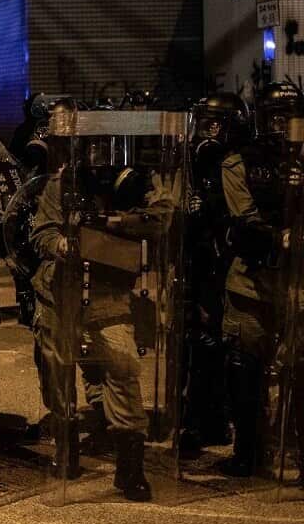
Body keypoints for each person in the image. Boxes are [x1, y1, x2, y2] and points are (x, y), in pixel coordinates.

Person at [29, 103, 180, 501]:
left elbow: (163, 218)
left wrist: (115, 223)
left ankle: (130, 467)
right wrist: (63, 243)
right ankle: (67, 448)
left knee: (122, 367)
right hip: (61, 293)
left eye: (104, 146)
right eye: (91, 146)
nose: (99, 155)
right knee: (56, 373)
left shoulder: (136, 184)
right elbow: (39, 233)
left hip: (109, 294)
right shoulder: (61, 185)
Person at [218, 82, 304, 479]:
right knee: (244, 368)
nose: (282, 125)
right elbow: (245, 219)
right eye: (275, 117)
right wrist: (280, 235)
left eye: (289, 117)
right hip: (252, 282)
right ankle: (249, 450)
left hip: (297, 285)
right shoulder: (240, 162)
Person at [178, 93, 246, 457]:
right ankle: (196, 419)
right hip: (196, 262)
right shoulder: (195, 164)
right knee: (196, 341)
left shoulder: (236, 166)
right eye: (202, 123)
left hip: (222, 265)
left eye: (213, 125)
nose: (205, 134)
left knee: (217, 342)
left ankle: (214, 419)